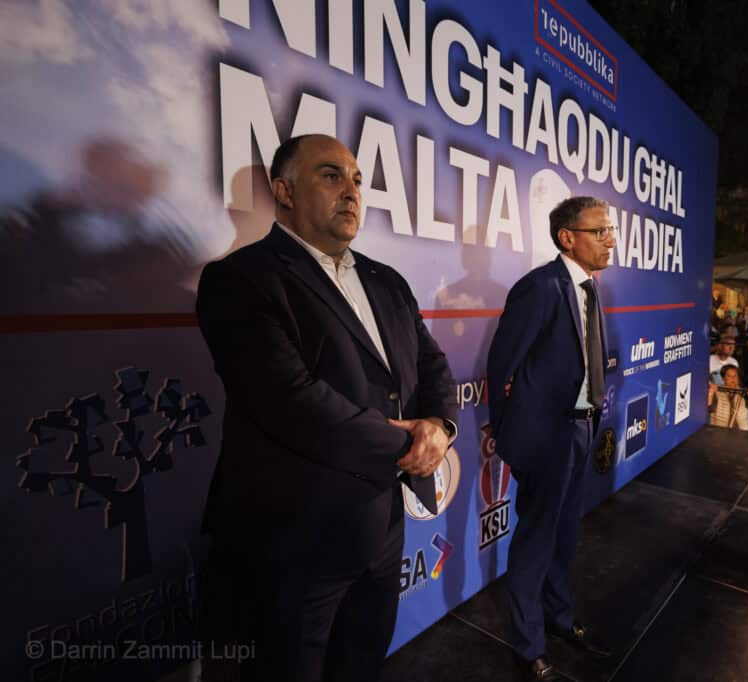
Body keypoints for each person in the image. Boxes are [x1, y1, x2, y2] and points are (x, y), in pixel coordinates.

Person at [195, 134, 458, 682]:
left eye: (357, 179)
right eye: (331, 176)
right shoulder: (239, 279)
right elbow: (290, 402)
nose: (352, 191)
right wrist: (410, 444)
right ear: (284, 191)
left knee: (360, 667)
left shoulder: (388, 281)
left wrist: (440, 424)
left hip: (382, 528)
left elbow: (431, 364)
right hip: (292, 538)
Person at [487, 196, 614, 681]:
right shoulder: (539, 287)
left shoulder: (591, 288)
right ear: (568, 237)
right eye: (599, 231)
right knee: (536, 540)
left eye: (610, 230)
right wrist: (507, 434)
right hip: (546, 437)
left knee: (564, 534)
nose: (610, 240)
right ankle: (528, 644)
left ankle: (560, 619)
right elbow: (502, 364)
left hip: (582, 427)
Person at [707, 365, 748, 431]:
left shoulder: (744, 391)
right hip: (720, 432)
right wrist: (710, 394)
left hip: (744, 431)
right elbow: (709, 408)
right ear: (723, 378)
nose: (733, 378)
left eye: (735, 376)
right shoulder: (716, 392)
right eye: (729, 376)